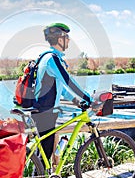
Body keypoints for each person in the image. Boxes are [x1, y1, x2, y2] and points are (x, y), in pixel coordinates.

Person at [32, 22, 92, 163]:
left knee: (44, 153)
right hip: (44, 112)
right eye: (67, 38)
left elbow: (62, 88)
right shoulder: (51, 59)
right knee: (45, 154)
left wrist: (77, 101)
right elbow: (68, 81)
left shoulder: (50, 58)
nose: (69, 41)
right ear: (60, 39)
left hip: (46, 111)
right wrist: (88, 98)